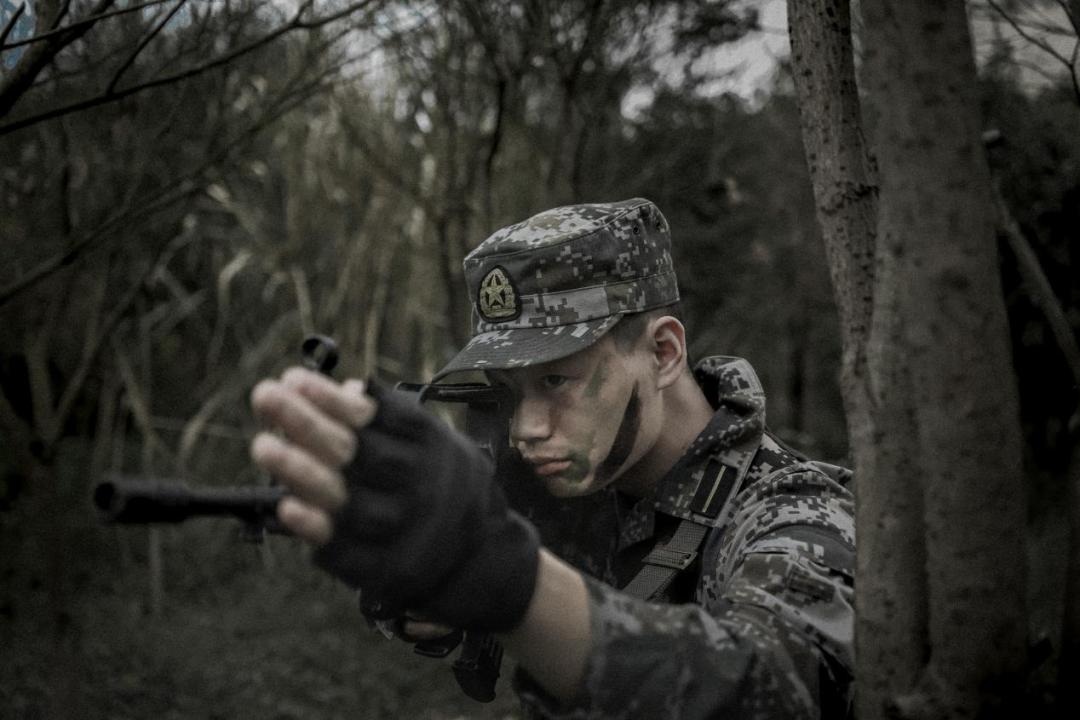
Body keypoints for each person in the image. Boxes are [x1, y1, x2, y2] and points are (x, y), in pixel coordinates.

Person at [250, 198, 854, 718]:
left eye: (557, 381)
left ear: (664, 354)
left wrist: (512, 583)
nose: (525, 429)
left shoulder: (795, 513)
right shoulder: (572, 483)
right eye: (510, 392)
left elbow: (770, 687)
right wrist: (427, 592)